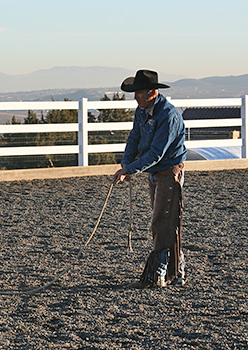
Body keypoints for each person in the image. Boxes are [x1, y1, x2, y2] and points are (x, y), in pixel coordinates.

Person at [112, 69, 187, 288]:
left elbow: (156, 153)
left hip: (168, 171)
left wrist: (129, 170)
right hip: (156, 171)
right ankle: (176, 270)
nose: (136, 97)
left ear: (152, 93)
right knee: (165, 219)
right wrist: (127, 164)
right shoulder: (143, 111)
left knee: (162, 220)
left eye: (139, 92)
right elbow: (134, 138)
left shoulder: (169, 116)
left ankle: (161, 272)